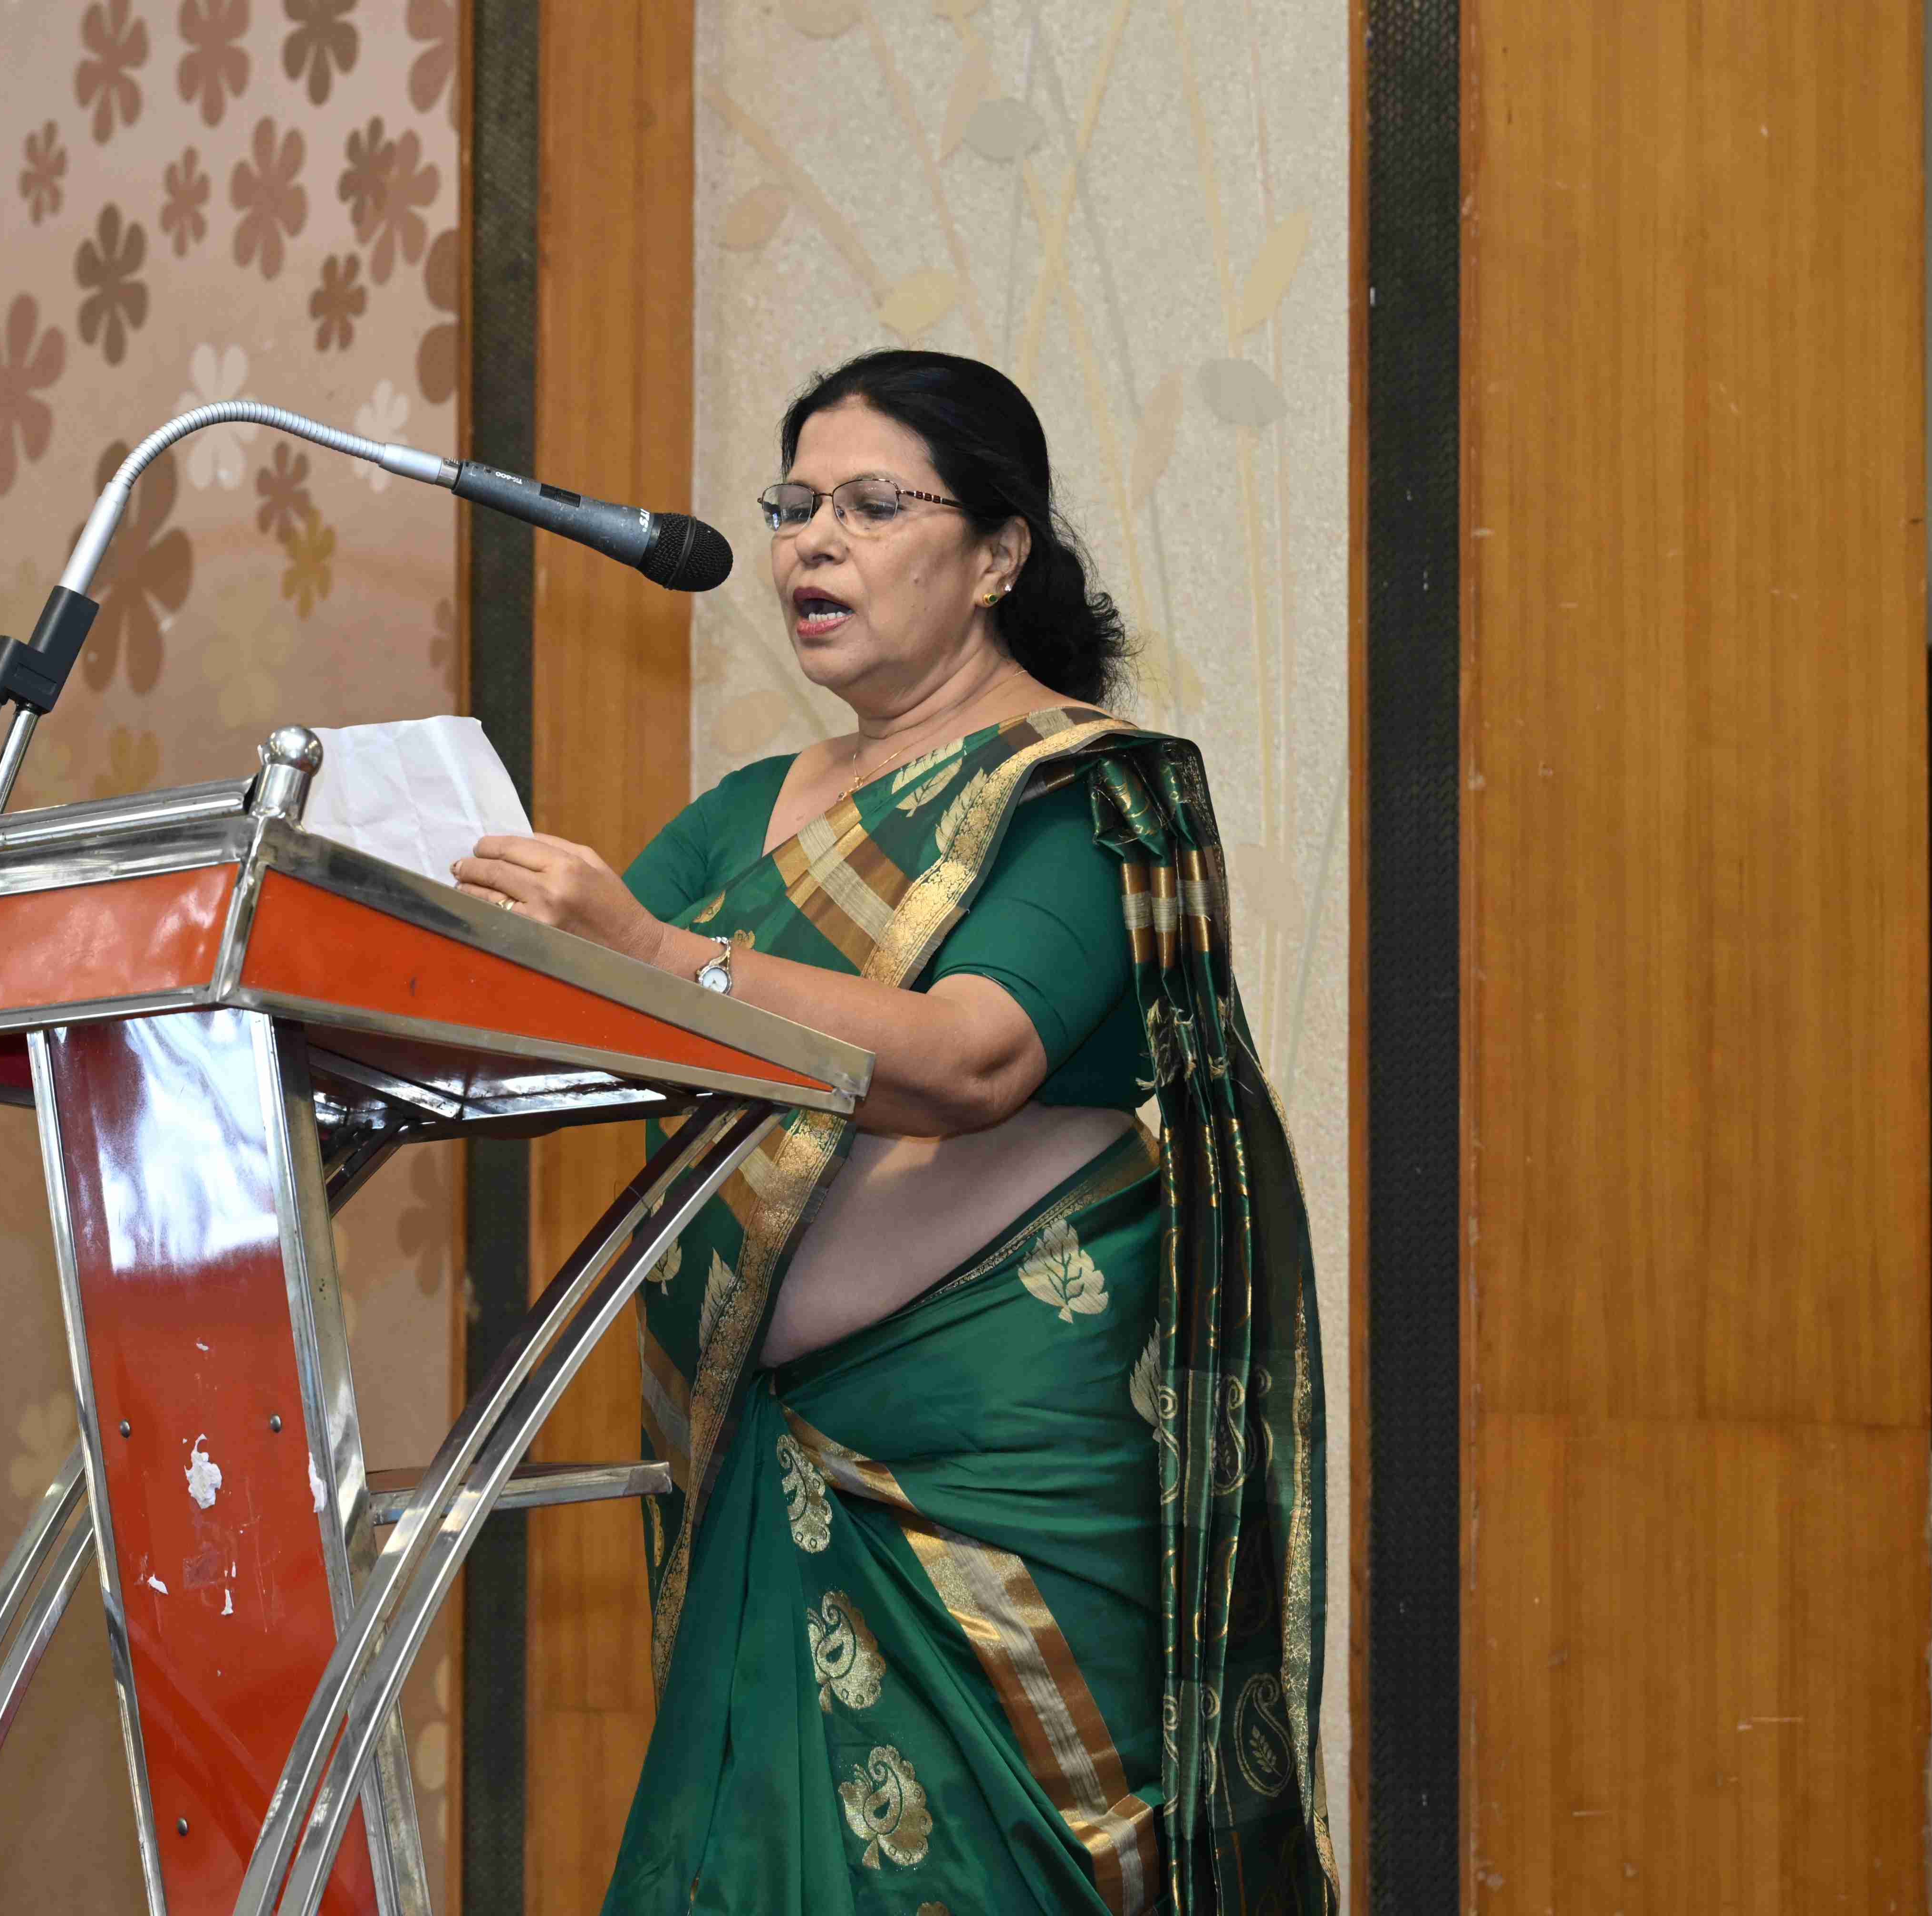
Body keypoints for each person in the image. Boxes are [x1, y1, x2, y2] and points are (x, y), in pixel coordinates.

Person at [451, 349, 1330, 1915]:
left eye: (870, 506)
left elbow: (978, 1058)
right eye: (794, 507)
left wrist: (654, 956)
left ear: (999, 554)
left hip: (1003, 1486)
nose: (812, 542)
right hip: (767, 1462)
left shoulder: (1086, 793)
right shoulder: (744, 816)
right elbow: (578, 1026)